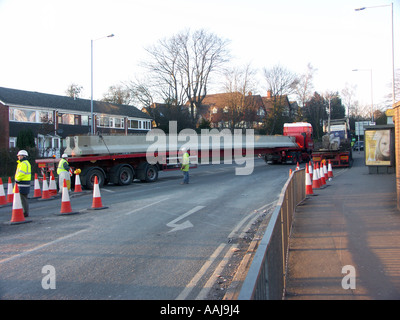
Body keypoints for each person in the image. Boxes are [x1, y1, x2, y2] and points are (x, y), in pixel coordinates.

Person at [15, 150, 31, 217]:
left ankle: (24, 212)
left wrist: (17, 179)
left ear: (23, 156)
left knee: (22, 199)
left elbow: (21, 173)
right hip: (25, 183)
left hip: (22, 183)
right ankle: (25, 211)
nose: (18, 157)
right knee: (24, 198)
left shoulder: (23, 164)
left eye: (19, 156)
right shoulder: (26, 163)